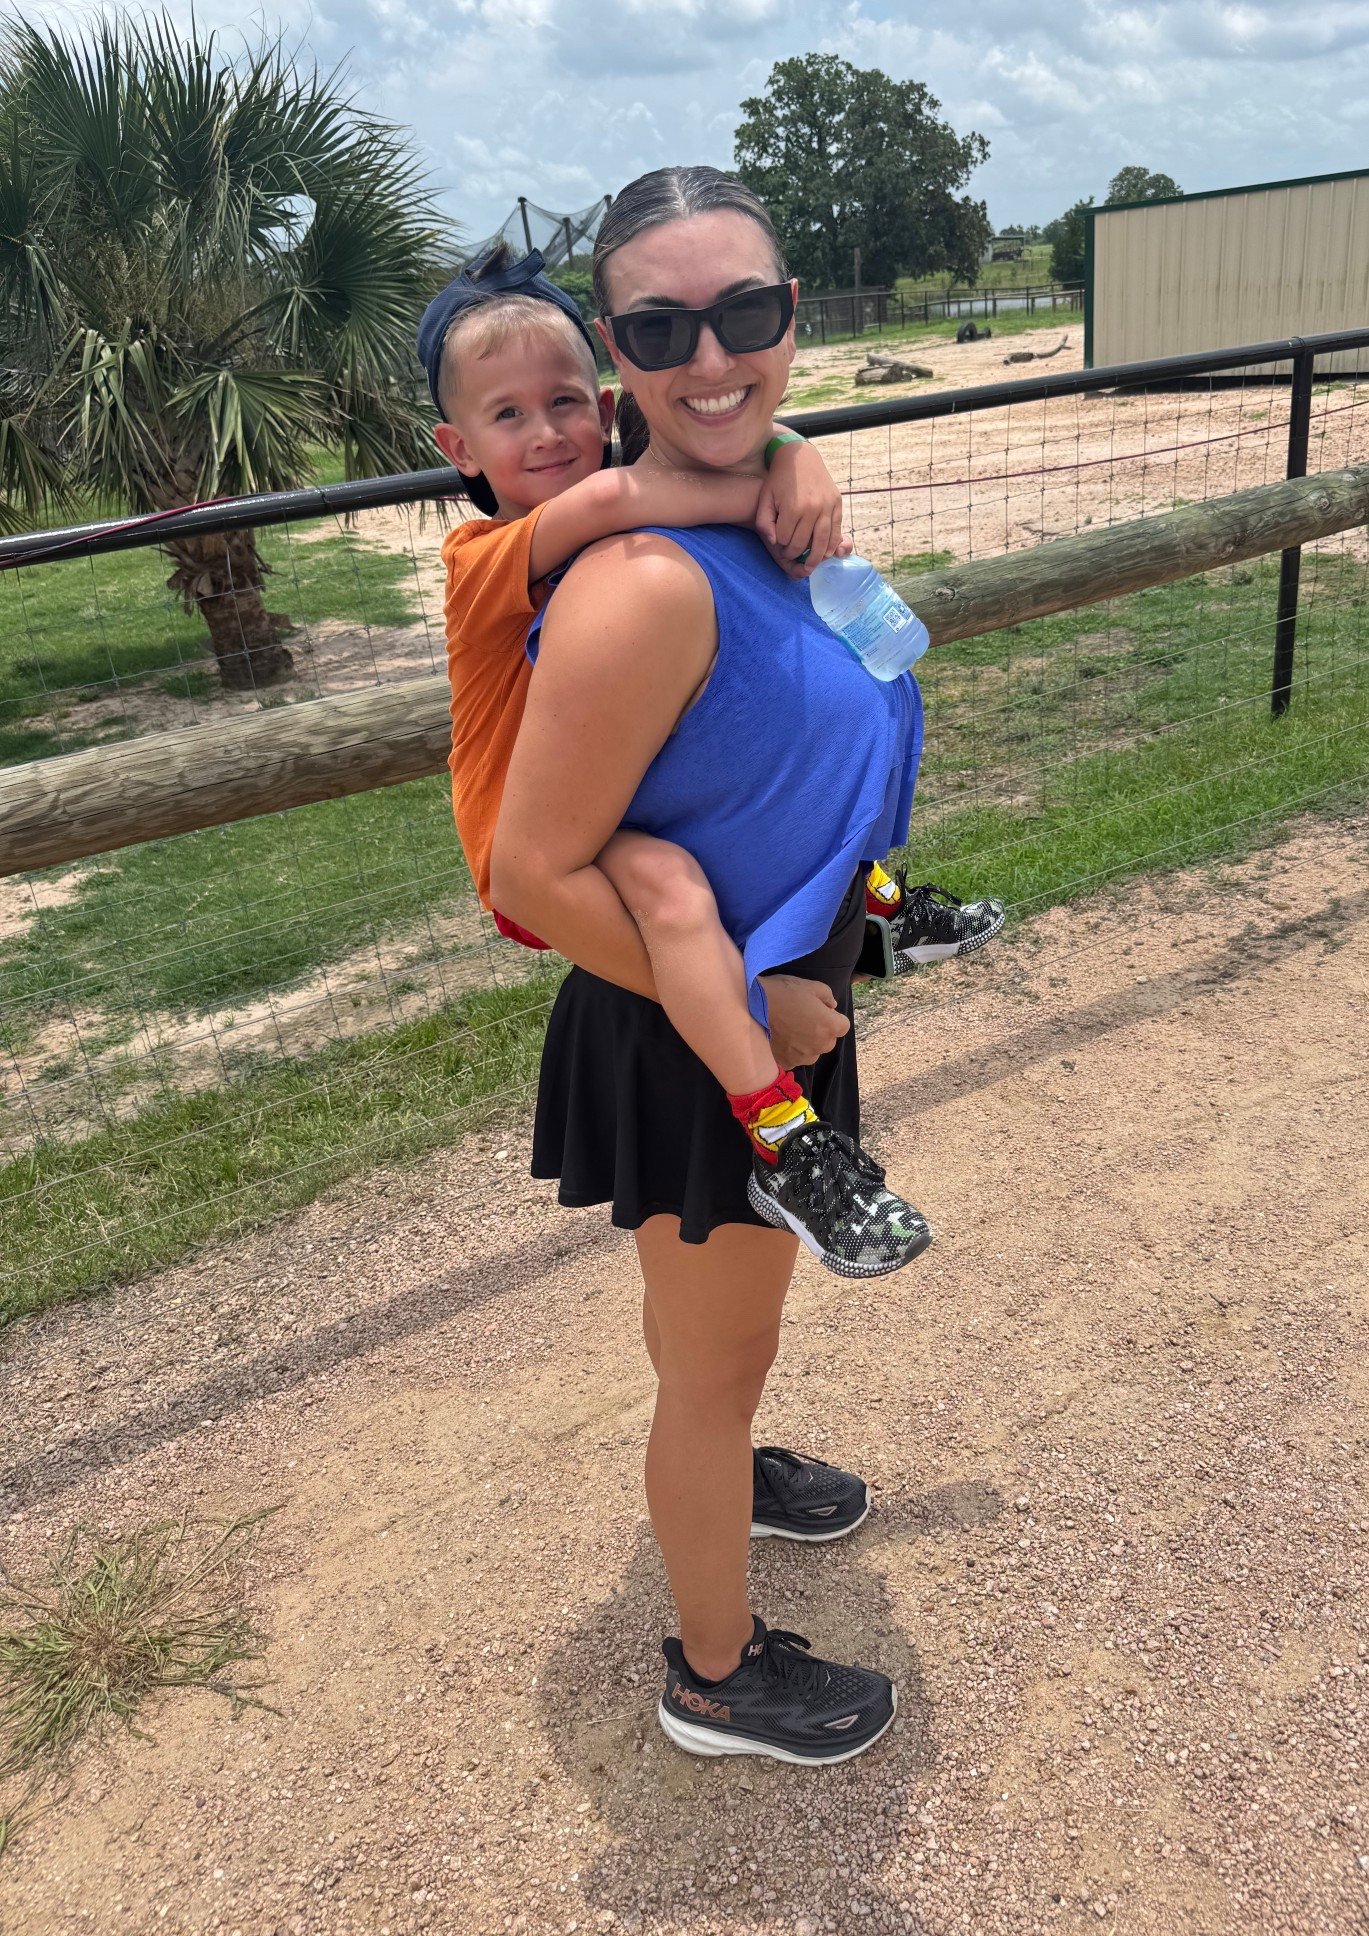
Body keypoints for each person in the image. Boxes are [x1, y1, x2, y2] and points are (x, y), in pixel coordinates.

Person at [489, 166, 952, 1766]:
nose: (711, 358)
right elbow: (528, 872)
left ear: (793, 317)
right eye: (662, 328)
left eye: (744, 315)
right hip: (707, 1030)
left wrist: (794, 453)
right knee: (717, 1363)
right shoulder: (645, 585)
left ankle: (728, 1458)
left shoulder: (761, 507)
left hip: (763, 995)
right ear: (617, 353)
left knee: (712, 1348)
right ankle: (714, 1675)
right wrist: (761, 1008)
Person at [420, 246, 1000, 1276]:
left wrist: (790, 443)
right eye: (507, 416)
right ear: (456, 445)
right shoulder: (487, 556)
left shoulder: (614, 489)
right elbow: (615, 502)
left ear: (603, 403)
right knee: (680, 888)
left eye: (563, 401)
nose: (547, 432)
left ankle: (881, 912)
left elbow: (716, 428)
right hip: (538, 840)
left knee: (749, 810)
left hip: (616, 804)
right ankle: (783, 1135)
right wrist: (778, 488)